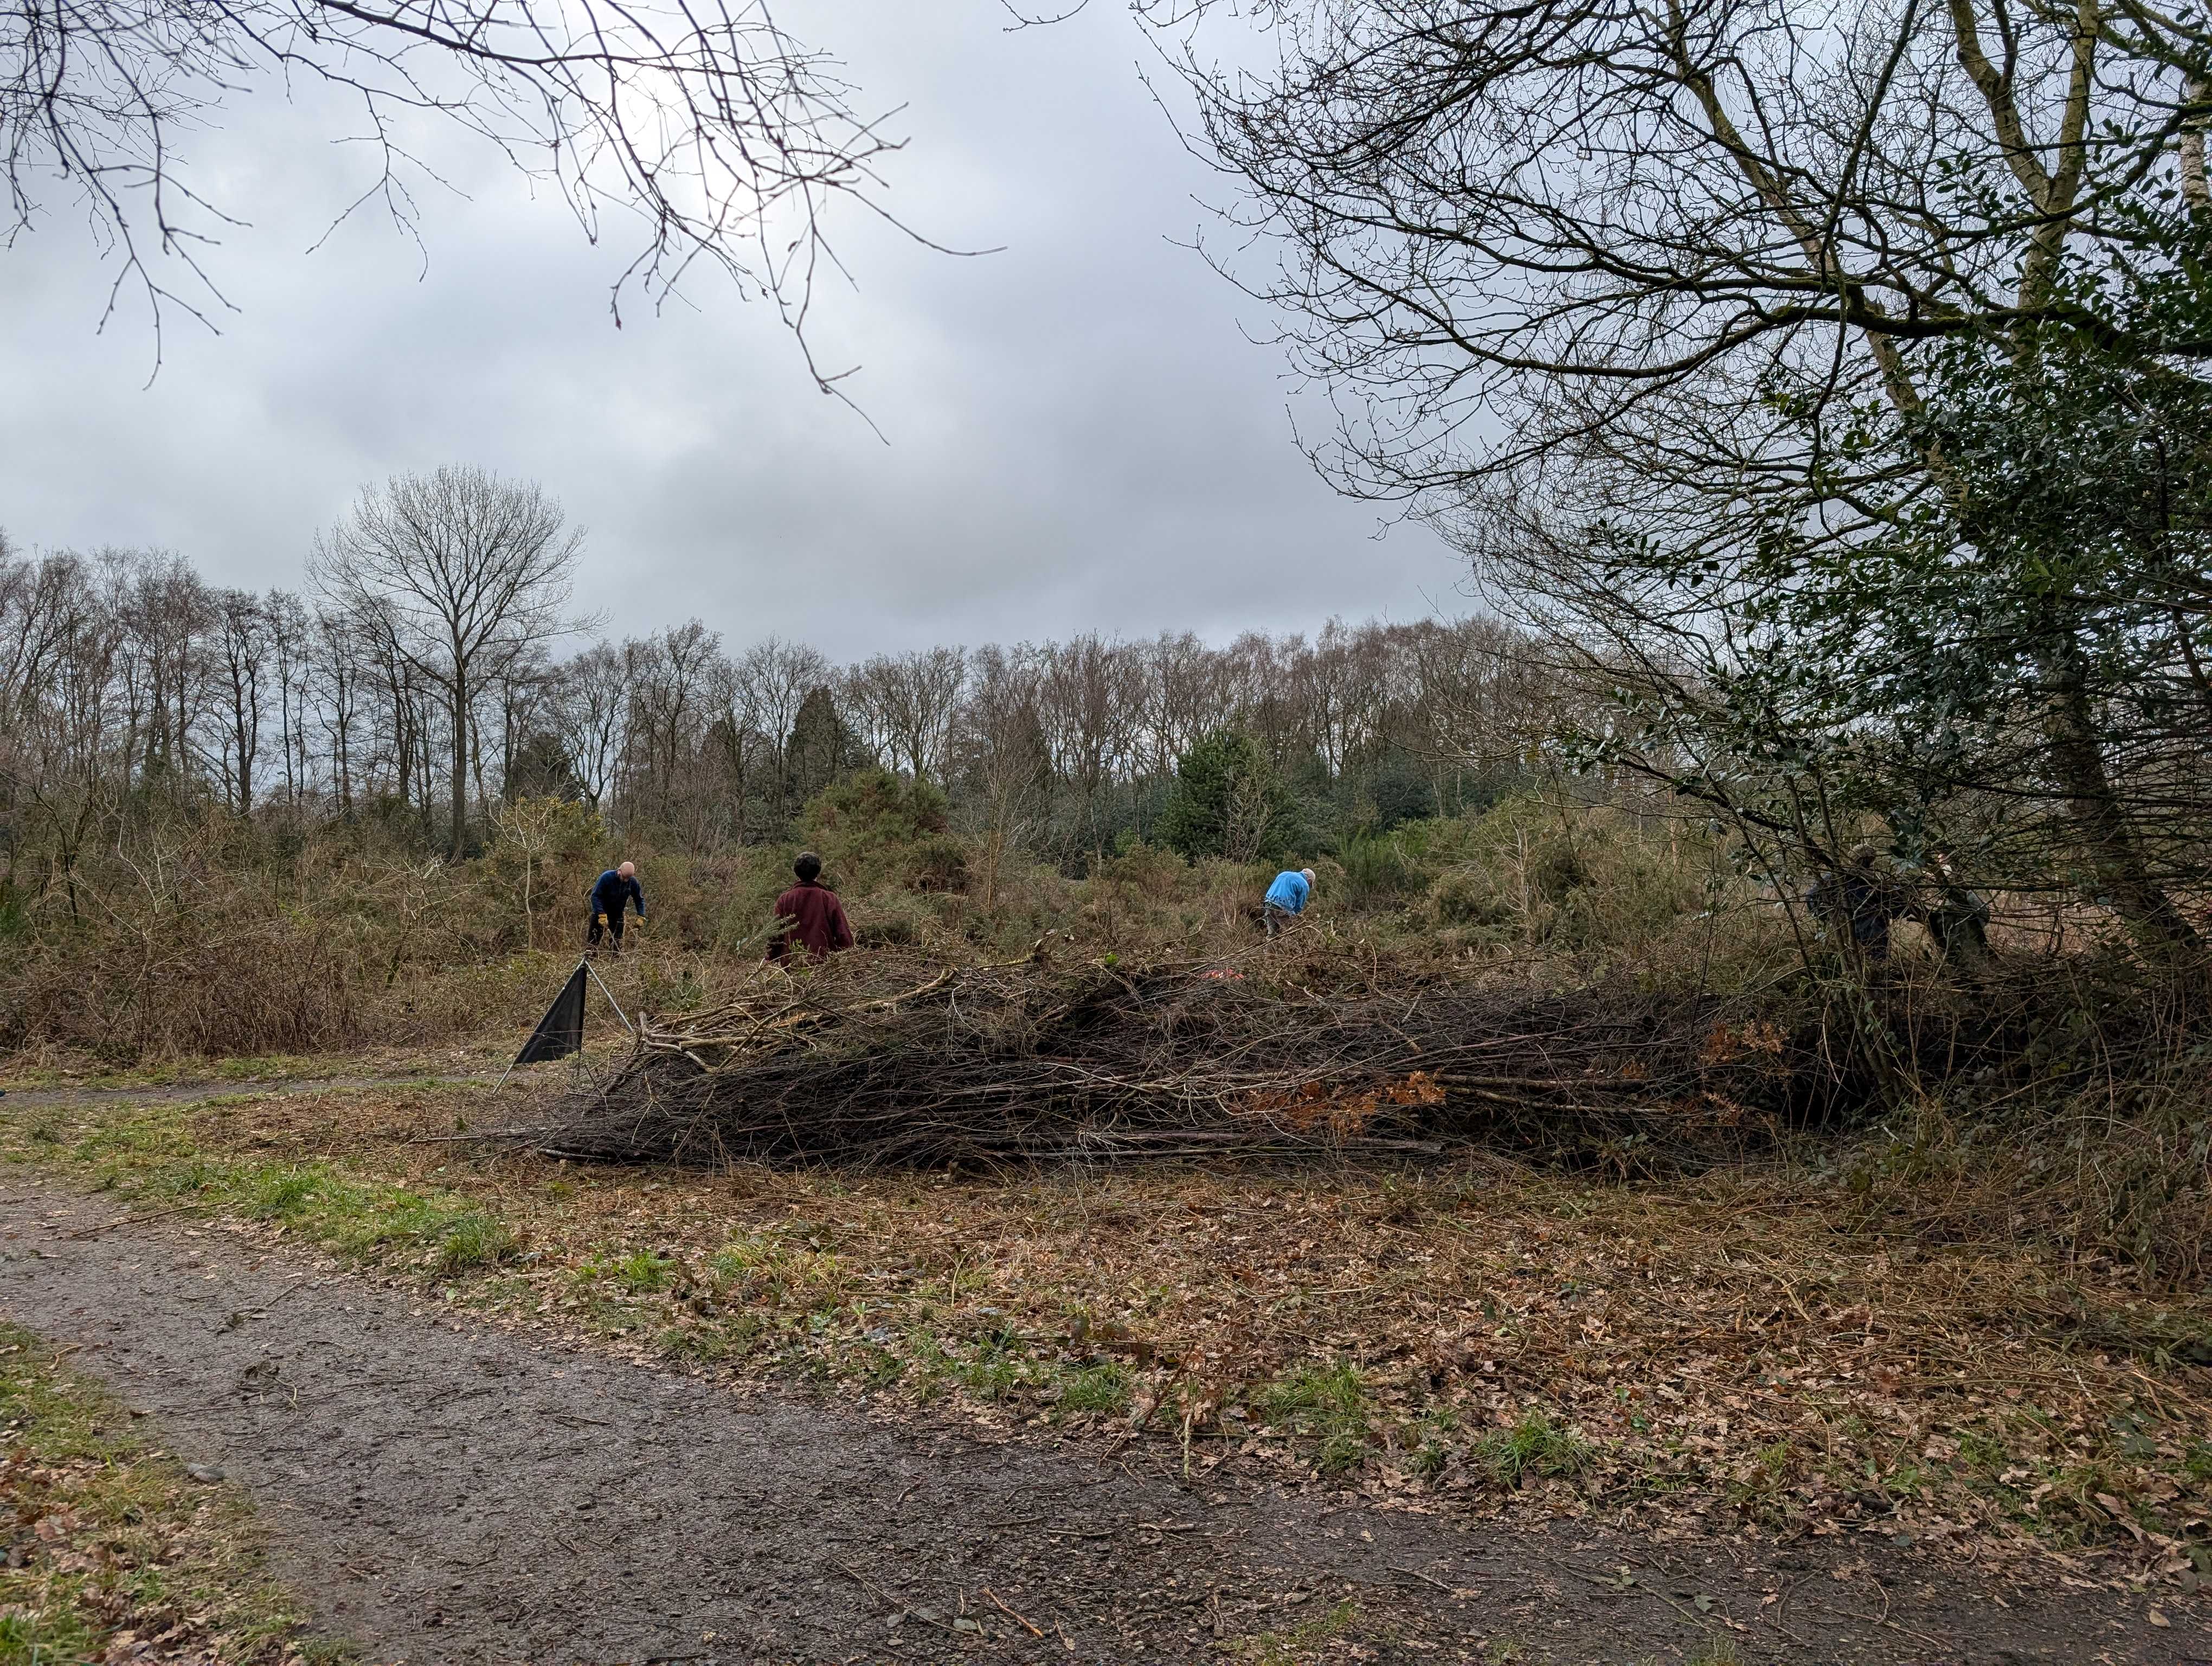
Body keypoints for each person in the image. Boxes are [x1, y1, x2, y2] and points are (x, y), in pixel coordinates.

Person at [1806, 843, 1901, 962]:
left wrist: (1826, 916)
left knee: (1872, 964)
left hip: (1869, 930)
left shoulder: (1874, 880)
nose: (1869, 864)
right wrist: (1827, 916)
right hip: (1857, 930)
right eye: (1868, 860)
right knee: (1872, 963)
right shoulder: (1838, 877)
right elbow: (1812, 896)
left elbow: (1811, 896)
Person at [767, 850, 855, 963]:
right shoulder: (829, 899)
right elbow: (844, 936)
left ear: (796, 873)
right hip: (826, 968)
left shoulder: (784, 900)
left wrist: (771, 958)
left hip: (793, 969)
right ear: (818, 873)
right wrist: (849, 960)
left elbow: (775, 936)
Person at [586, 860, 646, 954]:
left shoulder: (633, 882)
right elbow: (595, 896)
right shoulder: (606, 877)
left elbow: (639, 899)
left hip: (617, 915)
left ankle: (614, 961)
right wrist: (601, 914)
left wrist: (641, 915)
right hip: (601, 914)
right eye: (624, 877)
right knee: (592, 944)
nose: (626, 880)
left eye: (628, 878)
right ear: (619, 871)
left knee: (616, 945)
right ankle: (587, 964)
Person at [1263, 867, 1316, 939]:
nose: (1309, 886)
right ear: (1309, 880)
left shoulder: (1284, 874)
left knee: (1272, 933)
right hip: (1283, 907)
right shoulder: (1305, 884)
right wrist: (1294, 917)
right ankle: (1288, 949)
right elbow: (1299, 906)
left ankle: (1268, 950)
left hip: (1268, 903)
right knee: (1288, 934)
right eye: (1310, 884)